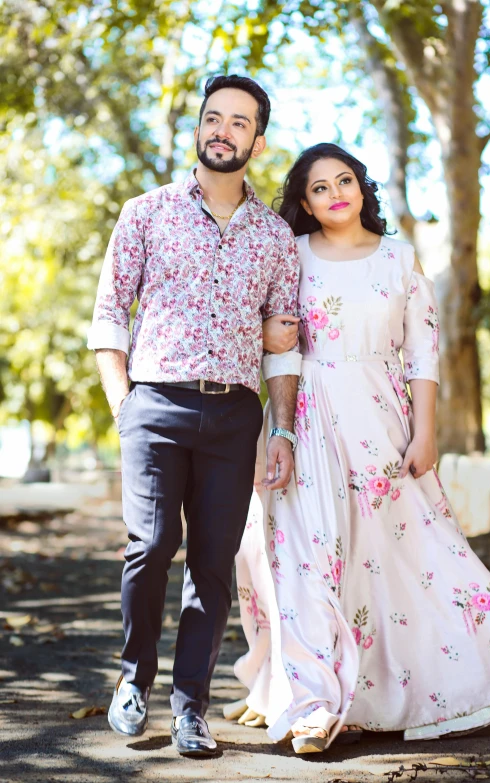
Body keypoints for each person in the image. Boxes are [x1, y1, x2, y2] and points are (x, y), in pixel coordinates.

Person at [229, 143, 490, 754]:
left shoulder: (399, 259)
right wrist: (276, 428)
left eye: (346, 180)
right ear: (304, 202)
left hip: (383, 420)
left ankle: (433, 679)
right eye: (319, 187)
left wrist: (426, 432)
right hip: (304, 418)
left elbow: (422, 352)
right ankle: (312, 706)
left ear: (362, 187)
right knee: (307, 556)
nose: (336, 192)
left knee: (408, 551)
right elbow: (276, 340)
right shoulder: (295, 255)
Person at [87, 74, 302, 758]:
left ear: (256, 143)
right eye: (214, 117)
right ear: (199, 128)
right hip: (154, 402)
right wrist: (123, 400)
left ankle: (190, 708)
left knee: (212, 565)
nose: (223, 129)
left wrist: (282, 425)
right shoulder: (145, 212)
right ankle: (132, 680)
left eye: (239, 122)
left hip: (235, 415)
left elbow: (283, 343)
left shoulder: (275, 236)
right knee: (150, 545)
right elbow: (108, 312)